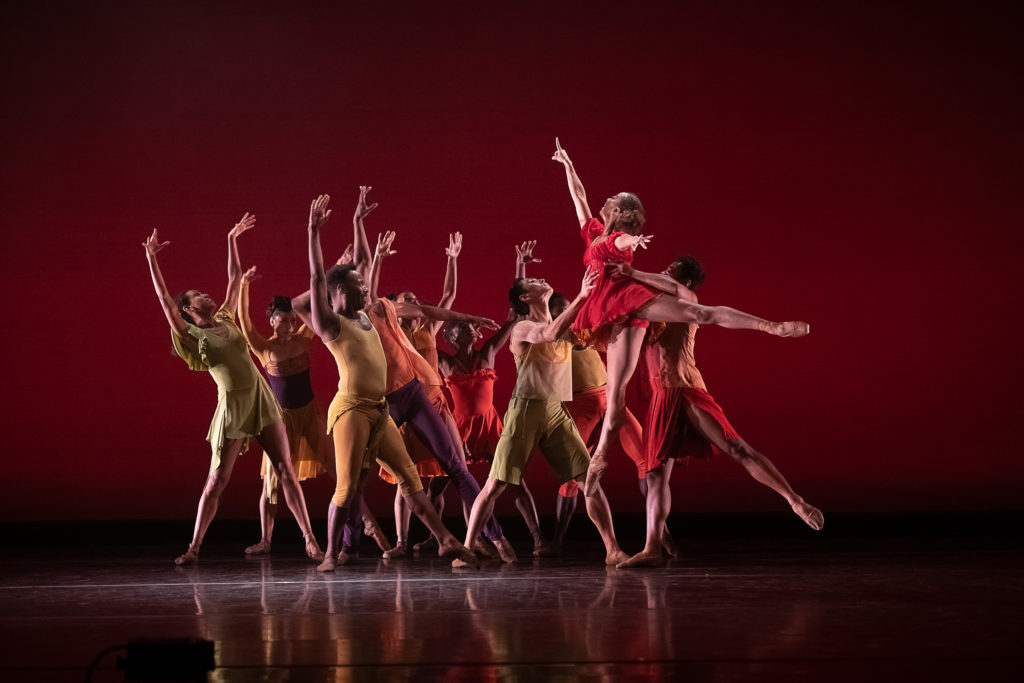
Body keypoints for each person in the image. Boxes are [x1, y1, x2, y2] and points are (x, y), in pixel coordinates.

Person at [551, 138, 810, 496]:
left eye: (612, 199)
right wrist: (568, 164)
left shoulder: (617, 238)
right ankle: (600, 459)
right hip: (606, 306)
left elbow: (621, 243)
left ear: (621, 212)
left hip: (627, 297)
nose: (604, 200)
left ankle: (771, 326)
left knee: (697, 312)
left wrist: (632, 243)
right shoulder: (596, 233)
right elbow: (579, 199)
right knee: (617, 391)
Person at [292, 194, 477, 572]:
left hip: (379, 410)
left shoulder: (367, 316)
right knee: (347, 489)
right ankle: (330, 554)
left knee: (410, 477)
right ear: (339, 293)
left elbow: (360, 262)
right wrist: (313, 233)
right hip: (351, 413)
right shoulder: (332, 325)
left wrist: (358, 222)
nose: (367, 287)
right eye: (359, 284)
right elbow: (316, 279)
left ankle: (444, 540)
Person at [614, 257, 824, 568]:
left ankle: (795, 501)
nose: (663, 269)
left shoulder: (685, 299)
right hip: (661, 395)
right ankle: (652, 548)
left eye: (671, 268)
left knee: (737, 448)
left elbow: (710, 310)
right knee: (655, 476)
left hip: (684, 388)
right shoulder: (652, 305)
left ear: (685, 281)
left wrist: (771, 327)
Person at [141, 214, 323, 565]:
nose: (207, 295)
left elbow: (234, 277)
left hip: (261, 399)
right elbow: (165, 299)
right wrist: (152, 259)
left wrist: (231, 238)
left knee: (285, 470)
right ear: (190, 310)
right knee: (217, 481)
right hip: (233, 408)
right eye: (199, 296)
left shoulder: (224, 317)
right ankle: (194, 547)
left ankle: (311, 541)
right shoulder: (193, 335)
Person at [454, 267, 629, 567]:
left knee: (589, 480)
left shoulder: (564, 325)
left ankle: (612, 549)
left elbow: (589, 334)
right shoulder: (523, 327)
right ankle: (467, 549)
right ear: (525, 297)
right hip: (525, 411)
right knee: (495, 485)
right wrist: (583, 296)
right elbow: (548, 333)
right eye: (533, 282)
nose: (542, 279)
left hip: (555, 410)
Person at [363, 227, 516, 561]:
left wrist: (453, 260)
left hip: (432, 401)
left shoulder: (426, 330)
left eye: (417, 301)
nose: (415, 305)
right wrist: (376, 258)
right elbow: (373, 296)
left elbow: (446, 299)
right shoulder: (383, 328)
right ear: (393, 306)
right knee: (408, 477)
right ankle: (401, 541)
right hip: (402, 402)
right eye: (407, 301)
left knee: (456, 468)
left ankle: (488, 535)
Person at [236, 267, 391, 556]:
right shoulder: (263, 348)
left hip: (310, 415)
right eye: (284, 320)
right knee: (271, 482)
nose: (291, 324)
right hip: (281, 420)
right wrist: (244, 286)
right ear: (272, 321)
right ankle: (265, 540)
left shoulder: (302, 339)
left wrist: (337, 267)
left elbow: (319, 305)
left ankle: (371, 529)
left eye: (292, 320)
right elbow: (244, 322)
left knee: (341, 471)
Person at [538, 291, 676, 558]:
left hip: (610, 398)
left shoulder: (586, 328)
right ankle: (557, 541)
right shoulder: (552, 334)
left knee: (647, 463)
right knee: (572, 478)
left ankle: (662, 537)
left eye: (566, 308)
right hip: (579, 405)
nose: (565, 313)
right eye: (557, 310)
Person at [434, 241, 548, 553]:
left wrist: (520, 267)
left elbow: (514, 313)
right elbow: (439, 313)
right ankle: (450, 538)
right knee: (444, 486)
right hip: (460, 429)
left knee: (515, 482)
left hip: (491, 427)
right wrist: (452, 260)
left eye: (471, 326)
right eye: (462, 326)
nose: (471, 328)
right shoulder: (444, 361)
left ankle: (538, 538)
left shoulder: (487, 353)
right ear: (450, 335)